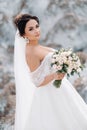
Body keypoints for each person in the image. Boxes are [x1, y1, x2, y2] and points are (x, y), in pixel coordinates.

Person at [14, 14, 87, 130]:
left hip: (60, 88)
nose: (36, 31)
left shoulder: (36, 46)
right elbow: (36, 81)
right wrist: (55, 75)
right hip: (50, 94)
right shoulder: (30, 52)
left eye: (37, 26)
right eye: (31, 29)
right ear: (23, 34)